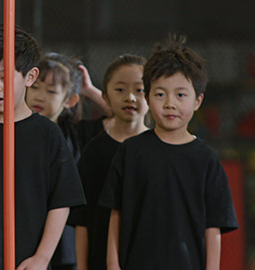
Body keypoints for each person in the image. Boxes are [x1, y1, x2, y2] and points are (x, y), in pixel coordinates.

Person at [99, 35, 238, 270]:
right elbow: (116, 215)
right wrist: (113, 265)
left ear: (198, 100)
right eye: (160, 94)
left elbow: (212, 227)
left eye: (181, 95)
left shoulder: (206, 159)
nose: (170, 103)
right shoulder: (131, 151)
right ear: (147, 98)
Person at [0, 24, 86, 270]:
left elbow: (61, 201)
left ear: (30, 77)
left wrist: (42, 257)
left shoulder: (48, 134)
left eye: (4, 77)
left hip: (27, 262)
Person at [25, 52, 108, 270]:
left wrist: (89, 90)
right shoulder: (18, 129)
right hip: (28, 225)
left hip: (65, 235)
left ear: (69, 100)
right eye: (35, 87)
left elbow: (121, 116)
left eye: (51, 91)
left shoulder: (75, 132)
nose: (40, 96)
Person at [67, 54, 148, 270]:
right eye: (120, 89)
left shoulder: (158, 150)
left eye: (139, 90)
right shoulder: (94, 150)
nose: (130, 97)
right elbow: (82, 221)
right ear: (106, 96)